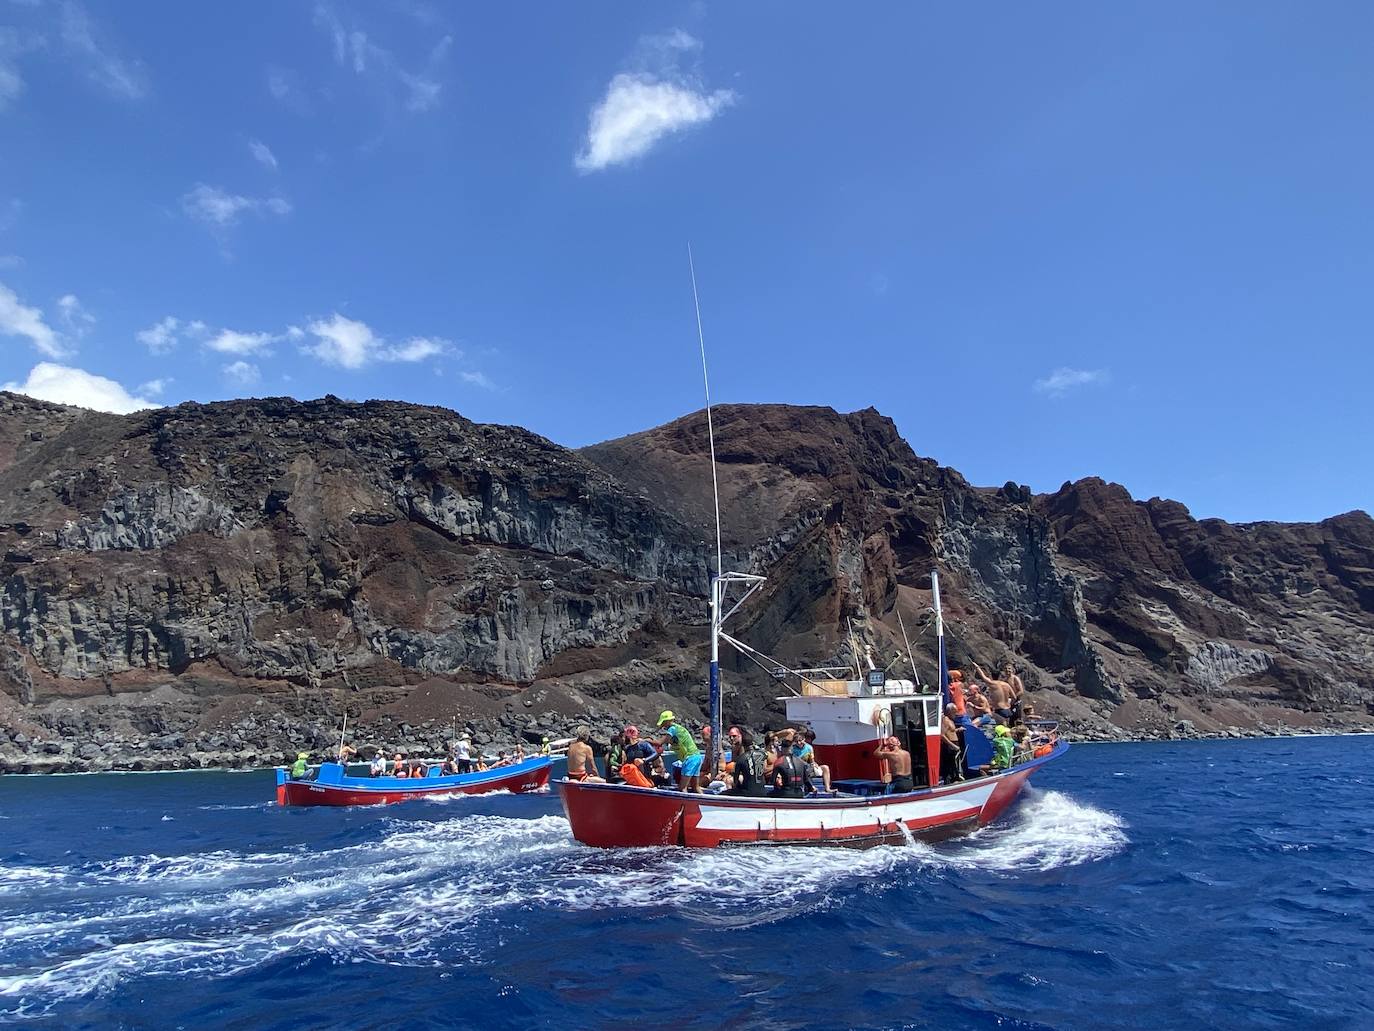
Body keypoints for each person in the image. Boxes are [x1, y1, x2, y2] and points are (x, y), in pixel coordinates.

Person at [656, 711, 703, 793]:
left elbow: (659, 742)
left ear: (668, 721)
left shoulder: (672, 729)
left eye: (663, 723)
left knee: (682, 787)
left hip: (690, 758)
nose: (663, 725)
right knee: (695, 786)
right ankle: (703, 803)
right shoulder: (678, 729)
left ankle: (685, 805)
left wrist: (646, 740)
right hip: (696, 756)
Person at [728, 729, 769, 797]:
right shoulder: (763, 755)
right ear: (752, 743)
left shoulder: (741, 759)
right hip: (762, 791)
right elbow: (764, 769)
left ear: (743, 744)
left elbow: (735, 782)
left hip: (747, 792)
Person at [940, 704, 965, 783]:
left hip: (955, 744)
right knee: (951, 765)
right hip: (950, 746)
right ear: (949, 711)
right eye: (954, 712)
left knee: (956, 764)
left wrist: (958, 730)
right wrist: (952, 745)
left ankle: (957, 777)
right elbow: (942, 735)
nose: (956, 714)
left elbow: (951, 731)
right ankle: (951, 780)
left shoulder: (951, 720)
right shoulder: (945, 720)